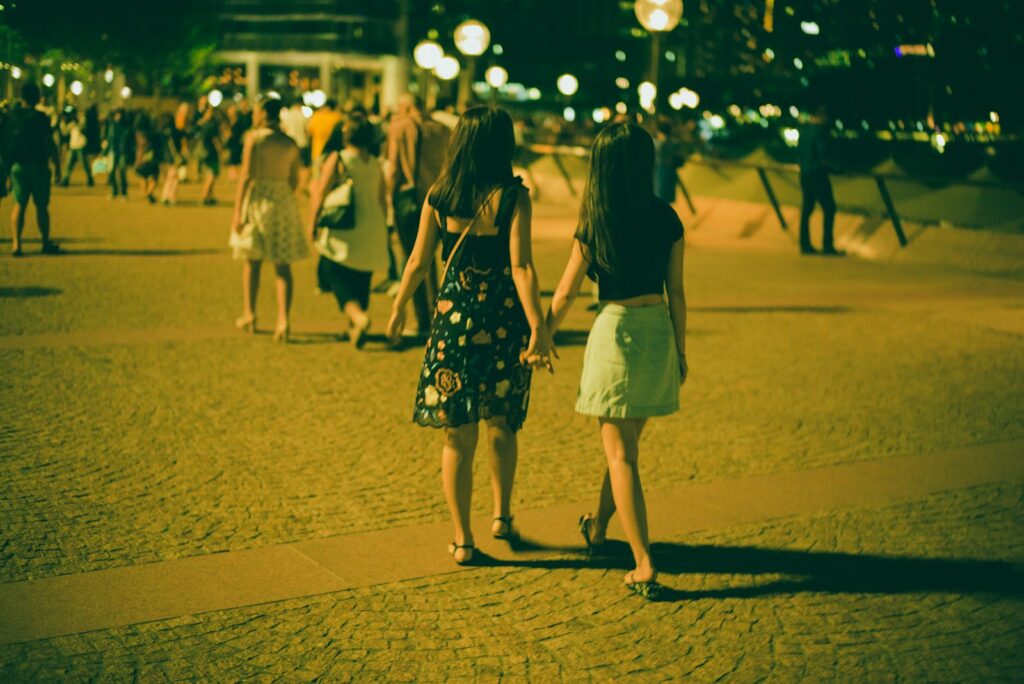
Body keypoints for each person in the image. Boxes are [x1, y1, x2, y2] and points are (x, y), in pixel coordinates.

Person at [386, 106, 554, 565]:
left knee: (456, 437)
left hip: (452, 328)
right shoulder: (514, 198)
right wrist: (537, 325)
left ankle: (463, 539)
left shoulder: (439, 196)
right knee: (501, 424)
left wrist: (400, 306)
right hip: (502, 326)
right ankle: (502, 515)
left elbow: (419, 262)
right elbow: (521, 267)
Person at [546, 122, 688, 600]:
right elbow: (678, 294)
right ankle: (597, 526)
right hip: (657, 331)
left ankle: (644, 561)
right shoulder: (667, 218)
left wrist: (539, 335)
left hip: (616, 331)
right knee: (624, 449)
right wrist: (681, 351)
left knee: (620, 453)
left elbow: (565, 292)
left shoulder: (596, 221)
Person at [230, 97, 308, 342]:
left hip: (260, 197)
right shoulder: (290, 143)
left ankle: (250, 314)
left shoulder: (255, 139)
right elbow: (295, 179)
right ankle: (283, 320)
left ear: (263, 113)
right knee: (282, 265)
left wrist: (237, 212)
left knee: (252, 261)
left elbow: (246, 176)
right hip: (282, 199)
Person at [309, 116, 389, 348]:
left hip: (345, 224)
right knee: (361, 275)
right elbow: (383, 196)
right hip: (371, 223)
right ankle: (354, 326)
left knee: (332, 269)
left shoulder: (339, 158)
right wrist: (384, 225)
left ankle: (357, 316)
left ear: (347, 135)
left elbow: (321, 191)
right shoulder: (375, 162)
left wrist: (313, 221)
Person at [387, 93, 450, 336]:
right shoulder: (442, 130)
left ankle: (423, 320)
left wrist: (388, 199)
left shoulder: (400, 128)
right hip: (441, 197)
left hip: (411, 199)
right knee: (439, 259)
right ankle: (442, 313)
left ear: (407, 107)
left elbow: (393, 167)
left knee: (414, 259)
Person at [5, 82, 61, 256]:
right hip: (38, 165)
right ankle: (45, 242)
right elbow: (48, 143)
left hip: (17, 166)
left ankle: (16, 244)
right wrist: (57, 164)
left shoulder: (10, 117)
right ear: (37, 97)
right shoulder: (41, 118)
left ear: (21, 97)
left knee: (19, 205)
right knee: (42, 206)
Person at [798, 105, 842, 256]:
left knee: (806, 210)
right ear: (824, 116)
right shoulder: (820, 132)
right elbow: (823, 157)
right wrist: (836, 167)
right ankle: (827, 245)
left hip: (804, 173)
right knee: (829, 208)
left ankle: (805, 244)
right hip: (817, 174)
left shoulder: (804, 131)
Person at [307, 98, 343, 177]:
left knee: (317, 177)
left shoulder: (315, 116)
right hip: (332, 154)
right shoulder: (337, 117)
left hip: (317, 152)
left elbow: (309, 132)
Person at [194, 107, 222, 205]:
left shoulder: (200, 124)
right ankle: (204, 196)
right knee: (212, 175)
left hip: (203, 152)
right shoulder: (211, 125)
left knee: (209, 174)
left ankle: (210, 196)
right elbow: (215, 140)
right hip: (211, 152)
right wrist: (220, 150)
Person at [104, 108, 134, 200]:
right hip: (113, 151)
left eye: (120, 115)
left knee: (122, 172)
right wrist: (104, 152)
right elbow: (108, 139)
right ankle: (114, 191)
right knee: (111, 172)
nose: (118, 117)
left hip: (123, 152)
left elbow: (130, 142)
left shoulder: (127, 127)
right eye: (117, 115)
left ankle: (124, 193)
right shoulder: (111, 126)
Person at [133, 112, 163, 204]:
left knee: (143, 177)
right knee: (155, 176)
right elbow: (158, 143)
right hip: (151, 158)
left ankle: (146, 193)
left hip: (140, 157)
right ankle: (149, 192)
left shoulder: (137, 133)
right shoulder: (152, 133)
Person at [60, 109, 94, 187]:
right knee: (69, 164)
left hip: (80, 145)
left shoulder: (80, 122)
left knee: (84, 164)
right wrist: (62, 122)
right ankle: (65, 180)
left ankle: (90, 179)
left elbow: (83, 127)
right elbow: (64, 132)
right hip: (73, 146)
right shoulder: (72, 124)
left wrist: (78, 119)